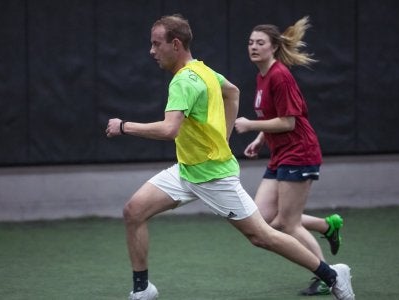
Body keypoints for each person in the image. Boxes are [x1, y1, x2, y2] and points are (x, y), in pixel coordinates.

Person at [106, 14, 354, 300]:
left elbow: (169, 129)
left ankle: (333, 275)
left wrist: (124, 126)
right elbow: (233, 92)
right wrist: (223, 134)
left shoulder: (183, 82)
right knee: (133, 210)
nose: (151, 51)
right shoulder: (204, 71)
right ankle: (142, 289)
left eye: (156, 44)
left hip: (214, 176)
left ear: (175, 44)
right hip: (187, 170)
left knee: (263, 236)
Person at [234, 17, 346, 296]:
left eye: (260, 43)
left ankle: (326, 275)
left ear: (273, 47)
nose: (254, 47)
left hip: (300, 153)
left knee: (287, 224)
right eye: (250, 42)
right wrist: (260, 139)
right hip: (280, 154)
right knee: (262, 219)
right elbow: (274, 116)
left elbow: (288, 122)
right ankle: (326, 225)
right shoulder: (262, 77)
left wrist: (250, 125)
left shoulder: (280, 75)